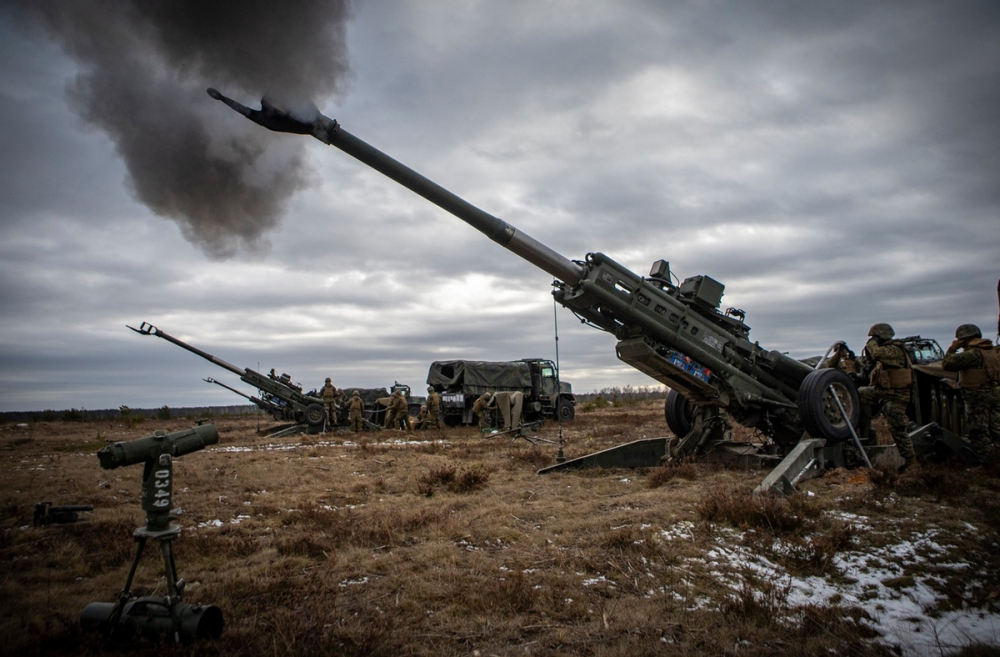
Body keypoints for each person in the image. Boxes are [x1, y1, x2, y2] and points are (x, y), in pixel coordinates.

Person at [857, 323, 917, 471]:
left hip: (897, 395)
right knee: (856, 394)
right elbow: (870, 361)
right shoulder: (888, 351)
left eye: (874, 338)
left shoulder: (894, 350)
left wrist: (871, 343)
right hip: (883, 392)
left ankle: (912, 463)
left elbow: (876, 353)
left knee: (897, 429)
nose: (872, 340)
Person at [942, 324, 1000, 466]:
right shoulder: (992, 352)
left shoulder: (972, 354)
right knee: (996, 430)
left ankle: (987, 465)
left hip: (977, 398)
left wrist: (953, 348)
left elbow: (947, 364)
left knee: (978, 431)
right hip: (995, 395)